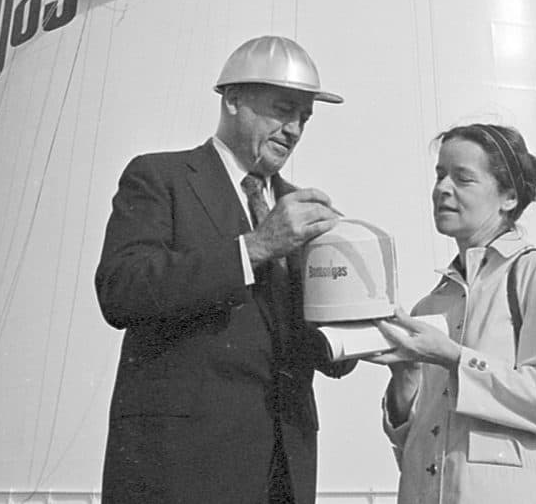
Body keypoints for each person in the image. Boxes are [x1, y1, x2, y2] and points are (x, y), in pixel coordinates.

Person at [95, 35, 356, 504]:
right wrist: (255, 247)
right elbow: (121, 290)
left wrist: (359, 329)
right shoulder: (161, 178)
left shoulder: (299, 211)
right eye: (282, 108)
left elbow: (312, 352)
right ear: (232, 99)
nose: (294, 128)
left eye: (304, 118)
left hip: (284, 471)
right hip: (181, 470)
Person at [369, 123, 536, 504]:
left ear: (508, 197)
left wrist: (454, 358)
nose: (442, 189)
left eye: (463, 178)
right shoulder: (432, 304)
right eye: (439, 175)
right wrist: (404, 377)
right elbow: (414, 442)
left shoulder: (535, 273)